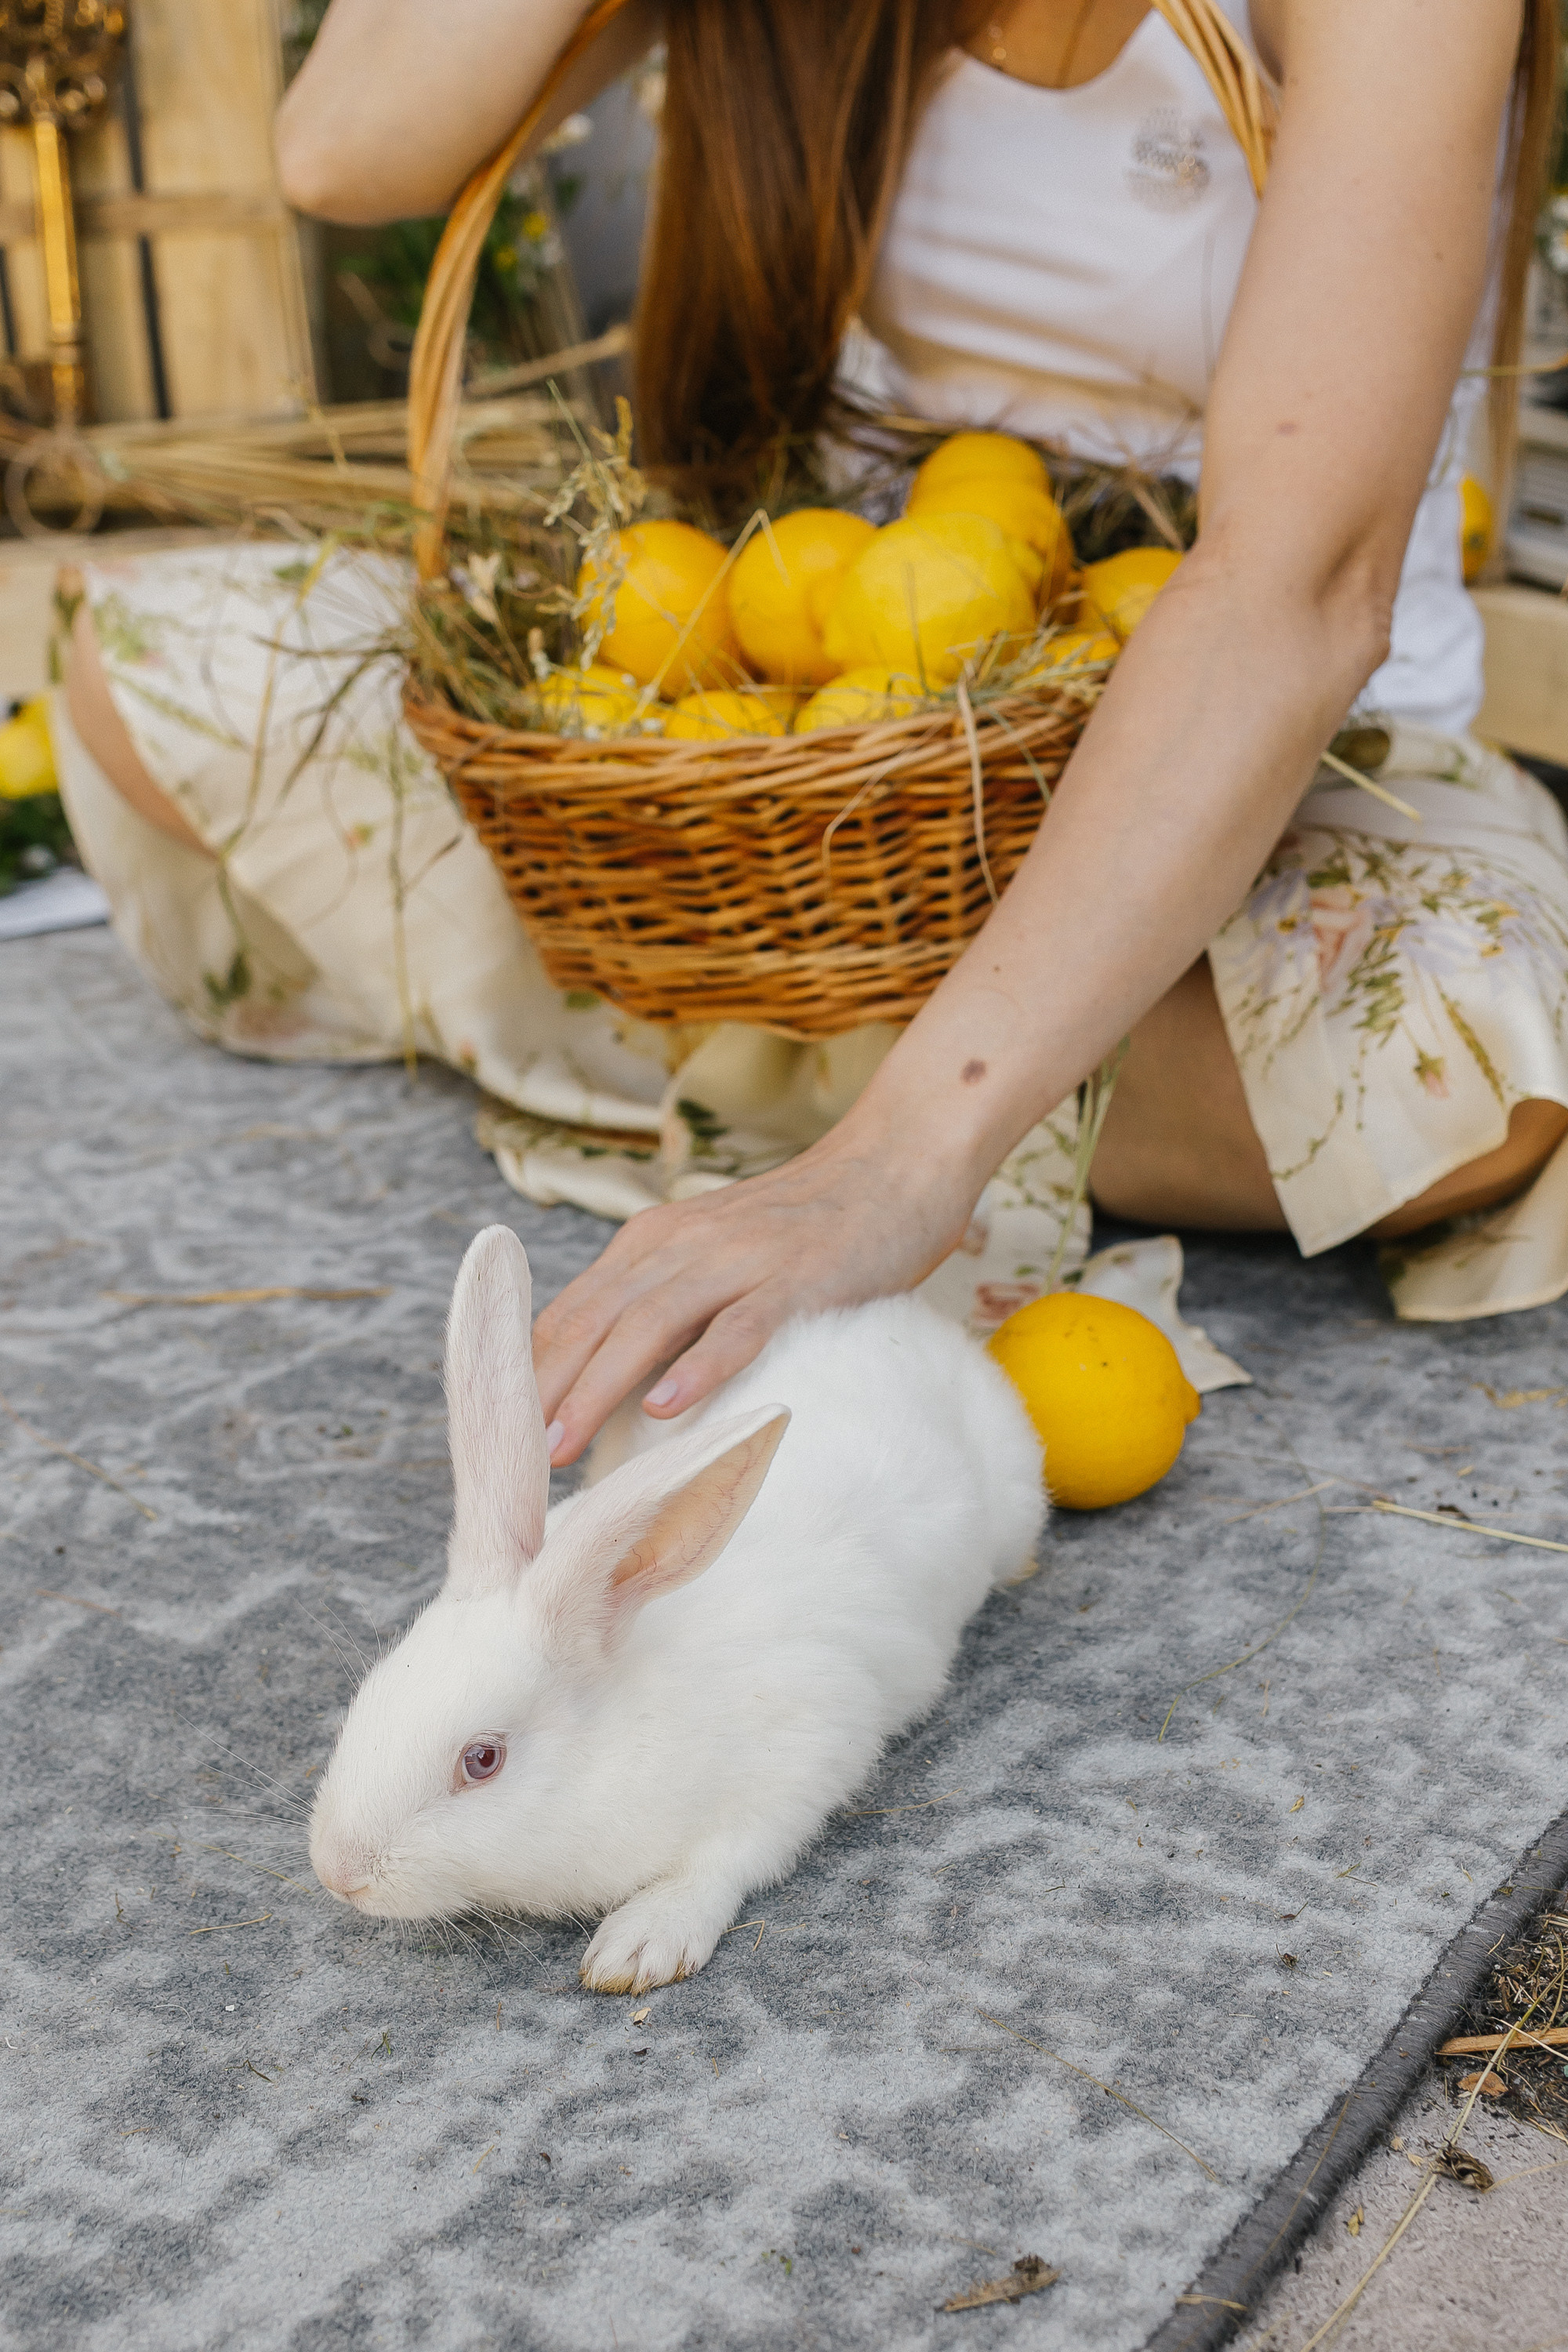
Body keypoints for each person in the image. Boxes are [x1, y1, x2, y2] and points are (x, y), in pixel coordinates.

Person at [61, 0, 1568, 1468]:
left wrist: (893, 1173)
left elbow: (1293, 589)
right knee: (150, 665)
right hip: (828, 782)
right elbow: (344, 144)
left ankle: (792, 1057)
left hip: (1259, 783)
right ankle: (894, 1040)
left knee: (1468, 1067)